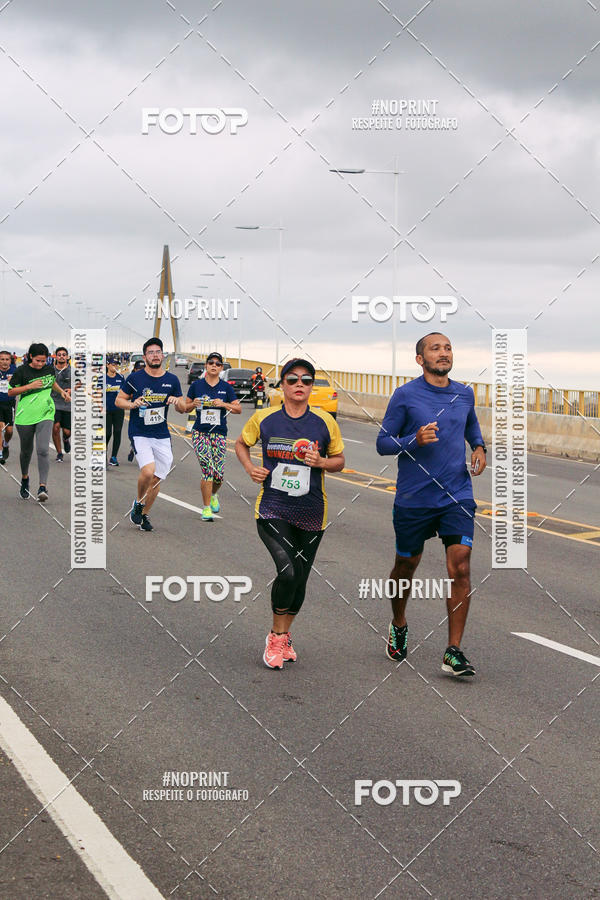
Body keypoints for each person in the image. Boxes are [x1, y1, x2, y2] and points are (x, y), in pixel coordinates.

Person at [376, 333, 487, 677]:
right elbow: (382, 443)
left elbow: (472, 429)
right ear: (420, 359)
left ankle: (453, 650)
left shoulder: (464, 393)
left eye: (448, 347)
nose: (443, 353)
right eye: (435, 348)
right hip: (415, 498)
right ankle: (398, 622)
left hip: (456, 495)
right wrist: (414, 439)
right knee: (405, 568)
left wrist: (480, 449)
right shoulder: (405, 396)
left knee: (461, 566)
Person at [235, 358, 345, 670]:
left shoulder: (324, 422)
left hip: (312, 511)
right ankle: (274, 636)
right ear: (282, 384)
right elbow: (242, 444)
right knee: (287, 571)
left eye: (306, 380)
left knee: (301, 579)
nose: (300, 385)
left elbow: (338, 459)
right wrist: (250, 468)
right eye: (293, 379)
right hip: (272, 507)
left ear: (311, 386)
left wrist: (320, 462)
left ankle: (285, 636)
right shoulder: (264, 418)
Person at [115, 337, 182, 532]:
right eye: (150, 352)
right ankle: (138, 501)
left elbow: (183, 407)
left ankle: (143, 514)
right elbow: (119, 400)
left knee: (156, 479)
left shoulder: (172, 380)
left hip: (161, 435)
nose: (155, 355)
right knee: (147, 471)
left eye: (158, 352)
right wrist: (132, 404)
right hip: (140, 433)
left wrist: (177, 402)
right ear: (145, 357)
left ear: (163, 355)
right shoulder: (135, 379)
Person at [177, 351, 241, 521]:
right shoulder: (197, 385)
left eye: (217, 364)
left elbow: (238, 409)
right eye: (211, 362)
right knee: (208, 470)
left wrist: (224, 404)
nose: (214, 365)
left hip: (219, 434)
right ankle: (206, 509)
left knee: (219, 474)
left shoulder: (226, 388)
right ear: (206, 365)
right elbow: (185, 408)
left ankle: (213, 494)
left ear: (221, 368)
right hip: (200, 433)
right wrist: (192, 404)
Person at [8, 342, 70, 501]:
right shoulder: (21, 371)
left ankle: (43, 487)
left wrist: (62, 392)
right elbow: (11, 391)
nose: (41, 364)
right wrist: (30, 386)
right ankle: (25, 478)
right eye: (37, 361)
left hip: (46, 413)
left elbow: (52, 383)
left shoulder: (49, 369)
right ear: (30, 357)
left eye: (43, 361)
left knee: (42, 450)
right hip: (25, 415)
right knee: (26, 451)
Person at [52, 346, 72, 462]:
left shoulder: (72, 370)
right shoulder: (51, 370)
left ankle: (65, 439)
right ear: (56, 356)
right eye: (59, 354)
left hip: (67, 404)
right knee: (55, 428)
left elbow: (80, 384)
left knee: (67, 431)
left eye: (64, 354)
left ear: (67, 357)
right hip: (54, 403)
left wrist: (71, 390)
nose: (61, 356)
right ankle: (59, 453)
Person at [105, 356, 125, 466]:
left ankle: (114, 457)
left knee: (117, 432)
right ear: (108, 365)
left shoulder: (121, 378)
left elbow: (125, 392)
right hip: (106, 410)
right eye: (113, 364)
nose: (115, 366)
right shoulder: (102, 378)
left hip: (118, 409)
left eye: (116, 364)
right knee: (107, 433)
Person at [0, 350, 17, 464]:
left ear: (10, 361)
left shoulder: (15, 371)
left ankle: (5, 444)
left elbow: (23, 385)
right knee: (0, 427)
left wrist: (14, 381)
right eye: (2, 359)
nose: (4, 362)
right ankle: (1, 453)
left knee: (9, 431)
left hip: (9, 403)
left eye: (7, 359)